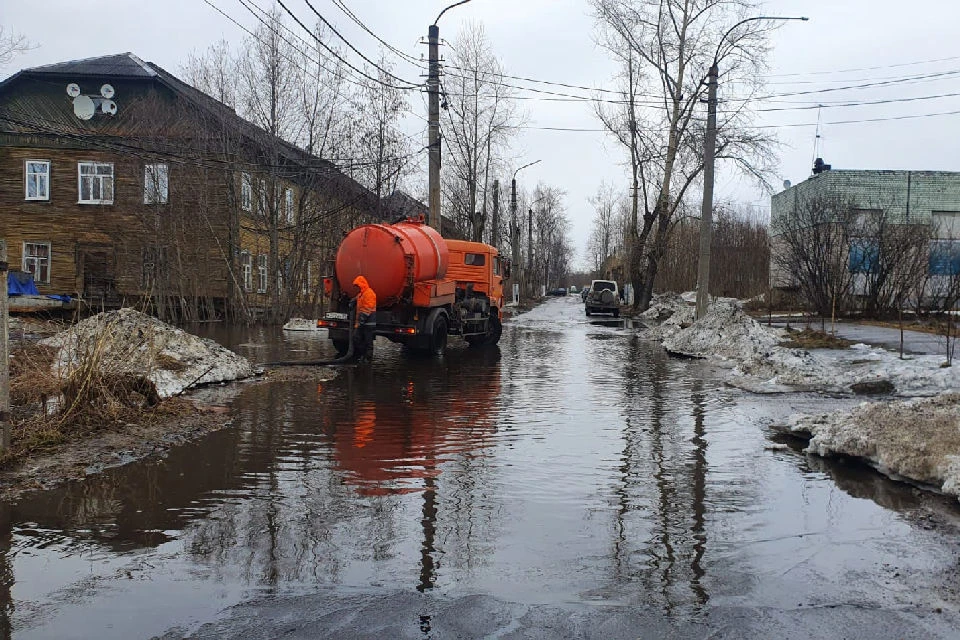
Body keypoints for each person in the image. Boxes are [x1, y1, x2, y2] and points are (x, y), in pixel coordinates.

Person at [352, 275, 377, 363]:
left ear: (362, 284)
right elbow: (359, 299)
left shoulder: (369, 293)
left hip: (368, 323)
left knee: (368, 341)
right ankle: (363, 355)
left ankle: (368, 358)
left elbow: (368, 307)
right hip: (362, 322)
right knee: (357, 338)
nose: (357, 287)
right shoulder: (361, 294)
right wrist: (353, 300)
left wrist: (362, 319)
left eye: (358, 285)